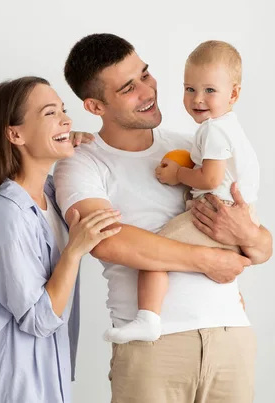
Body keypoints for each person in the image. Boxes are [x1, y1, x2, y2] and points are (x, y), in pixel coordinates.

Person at [54, 33, 273, 403]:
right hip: (154, 346)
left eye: (145, 74)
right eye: (128, 87)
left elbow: (262, 247)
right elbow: (107, 239)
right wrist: (208, 260)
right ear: (95, 106)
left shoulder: (192, 146)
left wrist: (246, 232)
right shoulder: (82, 163)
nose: (148, 90)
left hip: (229, 335)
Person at [0, 76, 121, 403]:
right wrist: (73, 252)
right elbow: (39, 318)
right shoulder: (8, 215)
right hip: (14, 388)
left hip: (44, 376)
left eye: (63, 110)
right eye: (50, 113)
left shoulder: (47, 195)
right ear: (15, 134)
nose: (67, 118)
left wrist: (62, 139)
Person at [112, 39, 261, 344]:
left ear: (233, 94)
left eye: (210, 90)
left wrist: (178, 174)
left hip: (218, 206)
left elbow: (209, 178)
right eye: (189, 89)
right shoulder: (226, 126)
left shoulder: (214, 130)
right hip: (236, 210)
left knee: (156, 251)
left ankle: (148, 318)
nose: (197, 99)